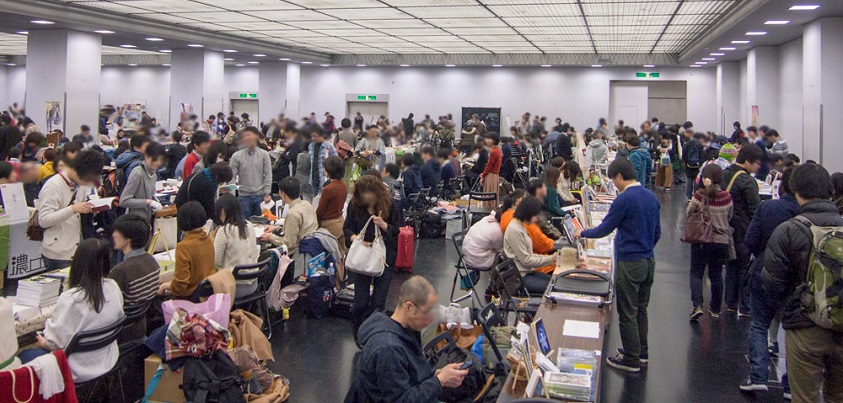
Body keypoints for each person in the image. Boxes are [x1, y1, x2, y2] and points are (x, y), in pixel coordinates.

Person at [761, 163, 843, 402]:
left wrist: (790, 309)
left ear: (796, 191)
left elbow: (772, 283)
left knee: (804, 397)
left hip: (804, 327)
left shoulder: (788, 230)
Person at [574, 158, 660, 372]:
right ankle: (641, 352)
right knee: (641, 309)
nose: (614, 184)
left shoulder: (624, 199)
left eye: (614, 180)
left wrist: (582, 232)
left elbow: (605, 228)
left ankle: (631, 358)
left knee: (627, 311)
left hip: (630, 262)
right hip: (648, 260)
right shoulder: (651, 196)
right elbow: (657, 232)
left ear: (620, 176)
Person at [345, 276, 467, 402]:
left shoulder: (402, 329)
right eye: (427, 312)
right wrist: (438, 382)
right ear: (409, 307)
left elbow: (409, 375)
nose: (431, 319)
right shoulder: (388, 349)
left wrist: (435, 377)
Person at [19, 238, 123, 382]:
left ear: (77, 263)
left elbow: (55, 342)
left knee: (24, 356)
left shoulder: (71, 298)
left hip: (74, 368)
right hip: (107, 359)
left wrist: (42, 342)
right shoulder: (113, 287)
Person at [742, 168, 798, 394]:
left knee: (758, 324)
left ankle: (757, 376)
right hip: (797, 280)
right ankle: (790, 385)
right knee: (793, 330)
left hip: (764, 273)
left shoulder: (768, 208)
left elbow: (750, 240)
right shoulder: (807, 213)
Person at [343, 175, 404, 340]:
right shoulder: (355, 206)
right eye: (364, 194)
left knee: (378, 303)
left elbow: (397, 232)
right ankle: (358, 333)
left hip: (384, 259)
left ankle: (374, 335)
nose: (367, 198)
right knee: (360, 303)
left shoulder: (391, 206)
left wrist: (384, 226)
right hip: (362, 259)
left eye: (370, 194)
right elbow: (346, 228)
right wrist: (354, 238)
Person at [38, 150, 104, 271]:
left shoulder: (80, 184)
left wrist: (91, 210)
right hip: (58, 252)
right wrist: (72, 209)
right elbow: (43, 220)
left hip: (78, 247)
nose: (86, 182)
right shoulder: (53, 186)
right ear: (74, 169)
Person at [721, 144, 763, 316]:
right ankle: (745, 306)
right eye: (757, 163)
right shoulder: (747, 181)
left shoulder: (724, 174)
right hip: (743, 231)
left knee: (731, 266)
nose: (759, 166)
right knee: (745, 269)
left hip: (725, 229)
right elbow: (756, 211)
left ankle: (730, 303)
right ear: (747, 161)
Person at [686, 164, 732, 320]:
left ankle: (697, 305)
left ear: (705, 179)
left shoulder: (699, 196)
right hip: (721, 242)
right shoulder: (727, 197)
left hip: (701, 240)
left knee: (696, 273)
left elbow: (688, 212)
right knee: (716, 274)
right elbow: (730, 217)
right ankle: (715, 309)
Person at [109, 214, 158, 339]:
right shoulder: (152, 261)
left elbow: (109, 308)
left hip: (121, 331)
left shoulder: (120, 271)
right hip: (142, 326)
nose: (113, 235)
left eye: (117, 232)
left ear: (128, 240)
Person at [158, 201, 215, 298]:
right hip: (208, 293)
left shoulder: (184, 247)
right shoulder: (208, 240)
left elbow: (180, 286)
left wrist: (164, 286)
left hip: (190, 298)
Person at [503, 196, 558, 294]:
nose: (536, 219)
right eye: (535, 216)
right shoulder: (515, 230)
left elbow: (528, 256)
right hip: (522, 276)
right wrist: (551, 259)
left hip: (527, 272)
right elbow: (526, 260)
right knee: (554, 287)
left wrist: (551, 258)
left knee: (556, 280)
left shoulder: (520, 227)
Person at [213, 194, 259, 297]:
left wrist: (212, 240)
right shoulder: (249, 225)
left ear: (223, 211)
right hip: (254, 283)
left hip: (235, 287)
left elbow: (214, 261)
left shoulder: (224, 231)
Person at [262, 177, 318, 257]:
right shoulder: (307, 204)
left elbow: (288, 244)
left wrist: (271, 237)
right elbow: (298, 230)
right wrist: (276, 228)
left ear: (283, 194)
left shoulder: (292, 214)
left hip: (297, 254)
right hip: (312, 248)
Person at [230, 127, 273, 218]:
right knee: (244, 226)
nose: (248, 138)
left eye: (250, 135)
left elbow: (268, 174)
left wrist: (267, 193)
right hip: (243, 196)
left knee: (261, 225)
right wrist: (232, 196)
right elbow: (232, 177)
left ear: (256, 137)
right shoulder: (236, 156)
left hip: (260, 196)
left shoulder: (264, 155)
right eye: (245, 136)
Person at [120, 142, 165, 222]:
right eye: (154, 159)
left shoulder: (153, 175)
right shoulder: (137, 173)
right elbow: (124, 201)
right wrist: (148, 202)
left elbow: (150, 195)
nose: (156, 162)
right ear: (146, 156)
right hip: (134, 222)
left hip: (147, 220)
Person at [317, 156, 348, 255]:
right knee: (340, 254)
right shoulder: (343, 185)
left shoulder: (328, 189)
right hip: (340, 221)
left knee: (329, 256)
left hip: (329, 225)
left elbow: (320, 211)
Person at [307, 126, 338, 195]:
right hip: (313, 177)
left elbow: (336, 160)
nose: (313, 138)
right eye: (312, 136)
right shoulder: (311, 146)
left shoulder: (329, 146)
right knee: (315, 199)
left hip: (324, 178)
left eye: (315, 136)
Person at [481, 132, 502, 208]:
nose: (486, 140)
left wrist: (483, 175)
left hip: (491, 175)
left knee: (488, 195)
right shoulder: (498, 150)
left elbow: (489, 166)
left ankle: (487, 210)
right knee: (493, 195)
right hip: (495, 175)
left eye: (488, 139)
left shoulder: (493, 151)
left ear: (493, 140)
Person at [683, 133, 705, 200]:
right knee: (696, 181)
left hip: (689, 165)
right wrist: (700, 164)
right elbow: (702, 155)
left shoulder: (687, 144)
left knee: (689, 180)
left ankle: (689, 197)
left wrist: (687, 162)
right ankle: (696, 196)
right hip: (697, 166)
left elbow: (684, 155)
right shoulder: (699, 145)